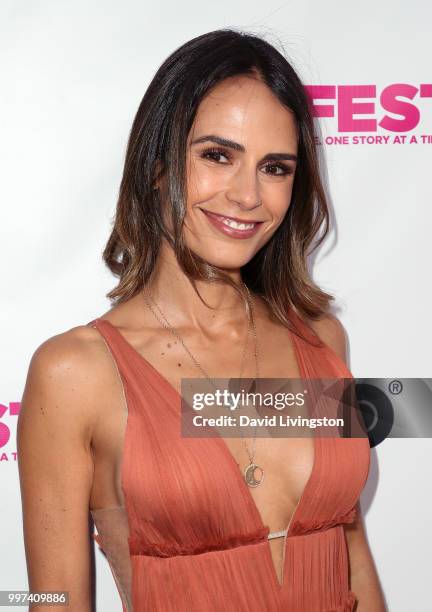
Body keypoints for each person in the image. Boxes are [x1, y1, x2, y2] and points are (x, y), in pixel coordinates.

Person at [17, 28, 386, 611]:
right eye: (218, 156)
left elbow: (350, 551)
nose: (247, 195)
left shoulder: (318, 337)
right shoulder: (76, 373)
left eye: (275, 168)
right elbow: (54, 600)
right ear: (159, 165)